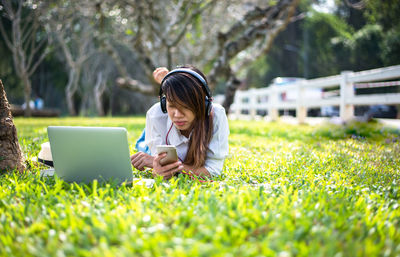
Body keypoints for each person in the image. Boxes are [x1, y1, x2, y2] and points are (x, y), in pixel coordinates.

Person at [130, 65, 229, 180]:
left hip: (169, 128)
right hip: (155, 132)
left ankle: (168, 82)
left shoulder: (216, 114)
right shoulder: (156, 114)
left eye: (185, 107)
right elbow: (159, 165)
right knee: (142, 146)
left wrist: (160, 164)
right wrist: (157, 167)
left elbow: (213, 172)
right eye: (171, 105)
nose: (177, 115)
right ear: (164, 103)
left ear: (203, 105)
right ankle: (169, 83)